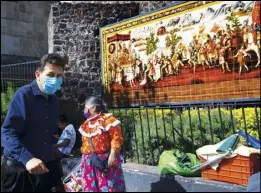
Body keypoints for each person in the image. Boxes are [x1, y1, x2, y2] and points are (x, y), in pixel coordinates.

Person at [1, 53, 68, 192]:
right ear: (38, 75)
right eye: (50, 74)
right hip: (19, 171)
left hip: (44, 169)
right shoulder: (23, 95)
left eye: (59, 76)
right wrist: (27, 159)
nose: (55, 79)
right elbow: (7, 133)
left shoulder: (54, 101)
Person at [78, 96, 126, 192]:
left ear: (93, 108)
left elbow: (116, 138)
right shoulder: (86, 124)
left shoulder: (108, 120)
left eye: (86, 107)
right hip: (89, 161)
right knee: (90, 188)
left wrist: (112, 155)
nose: (84, 110)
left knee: (108, 186)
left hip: (105, 160)